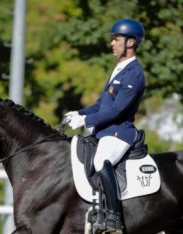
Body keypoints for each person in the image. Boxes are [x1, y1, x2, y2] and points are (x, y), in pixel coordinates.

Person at [63, 18, 145, 233]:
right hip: (105, 131)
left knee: (101, 160)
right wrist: (79, 113)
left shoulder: (134, 74)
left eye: (116, 39)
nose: (112, 44)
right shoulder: (118, 69)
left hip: (119, 132)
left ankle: (114, 219)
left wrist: (86, 121)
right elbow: (101, 104)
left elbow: (117, 110)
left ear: (130, 42)